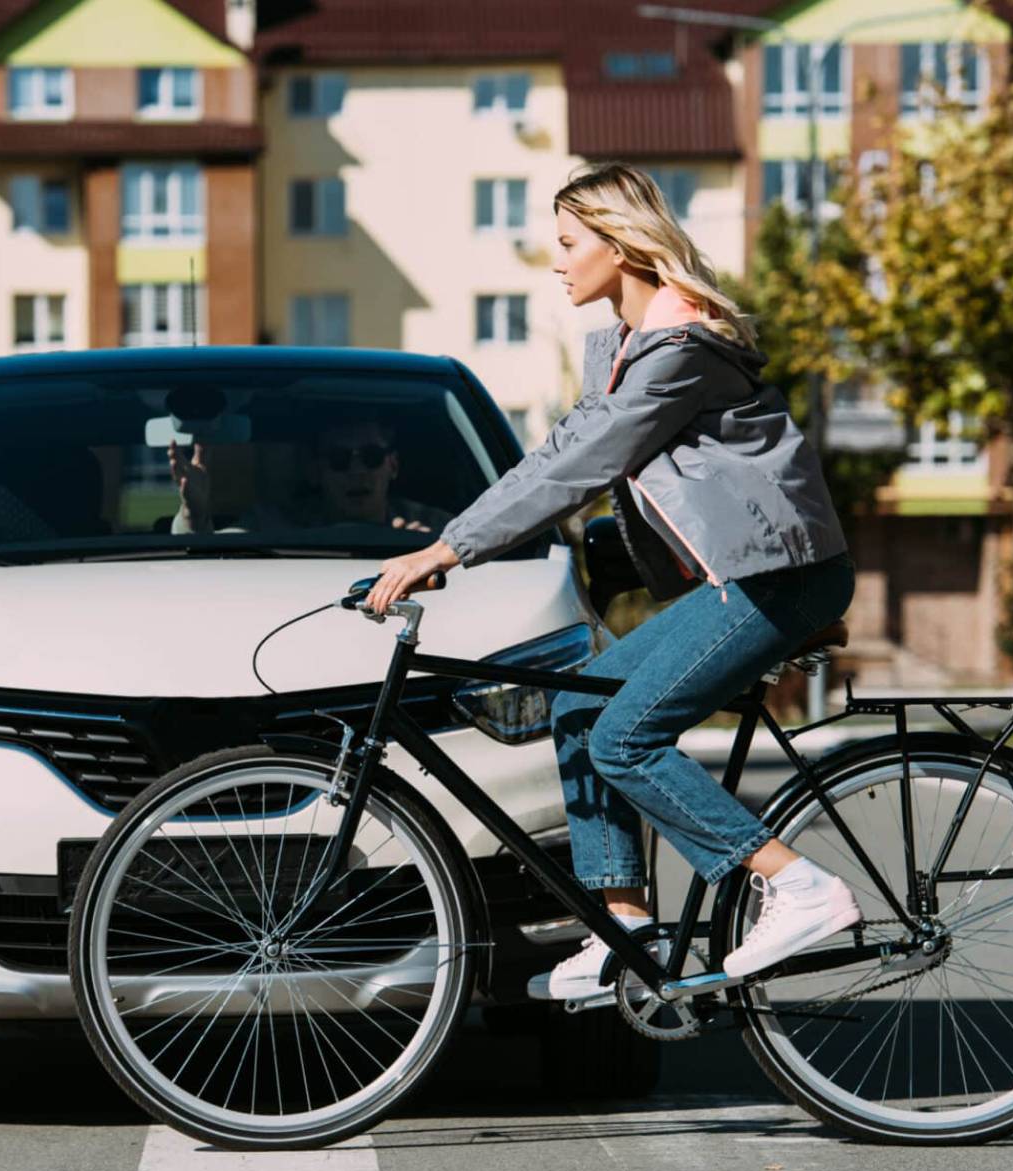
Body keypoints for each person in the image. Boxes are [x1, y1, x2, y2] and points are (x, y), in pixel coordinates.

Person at [365, 162, 860, 1000]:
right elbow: (561, 455)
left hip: (783, 577)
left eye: (567, 243)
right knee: (580, 701)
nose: (555, 262)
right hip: (743, 577)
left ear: (621, 245)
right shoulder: (633, 351)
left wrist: (445, 551)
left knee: (622, 738)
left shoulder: (681, 352)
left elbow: (582, 466)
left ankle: (798, 885)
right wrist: (454, 545)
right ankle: (625, 932)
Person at [169, 418, 451, 534]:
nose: (357, 471)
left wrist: (428, 553)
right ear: (316, 472)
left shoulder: (435, 527)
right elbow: (213, 558)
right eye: (339, 460)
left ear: (392, 465)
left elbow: (479, 563)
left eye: (371, 457)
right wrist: (194, 513)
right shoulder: (275, 527)